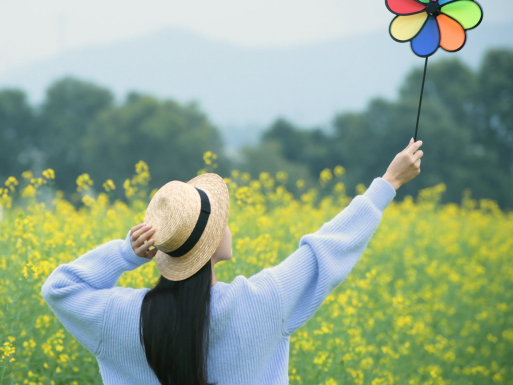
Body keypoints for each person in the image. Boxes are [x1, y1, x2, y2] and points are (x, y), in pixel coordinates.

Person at [41, 138, 424, 385]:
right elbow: (325, 250)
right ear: (211, 243)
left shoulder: (120, 317)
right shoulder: (261, 302)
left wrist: (127, 253)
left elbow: (59, 289)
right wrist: (388, 183)